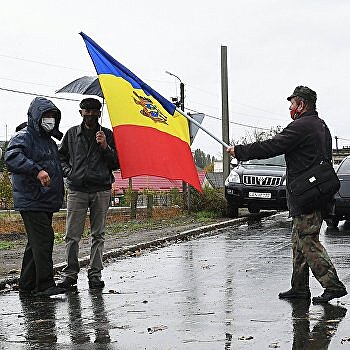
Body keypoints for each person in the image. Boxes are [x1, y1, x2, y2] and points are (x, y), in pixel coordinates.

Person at [227, 86, 347, 303]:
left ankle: (333, 285)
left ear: (301, 104)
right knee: (298, 241)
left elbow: (273, 145)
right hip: (311, 192)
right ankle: (299, 288)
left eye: (292, 104)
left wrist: (241, 151)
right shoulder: (319, 125)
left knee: (307, 240)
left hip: (307, 194)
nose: (290, 108)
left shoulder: (302, 126)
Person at [4, 97, 66, 297]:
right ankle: (45, 284)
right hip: (32, 199)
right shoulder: (25, 136)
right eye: (46, 116)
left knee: (36, 243)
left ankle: (27, 284)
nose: (50, 120)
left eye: (53, 116)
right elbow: (12, 156)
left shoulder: (48, 141)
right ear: (36, 117)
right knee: (44, 239)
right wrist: (37, 170)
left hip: (44, 200)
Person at [58, 98, 119, 289]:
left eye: (94, 111)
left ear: (99, 113)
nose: (90, 114)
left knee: (98, 235)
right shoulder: (71, 134)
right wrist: (71, 173)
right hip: (77, 190)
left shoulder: (107, 135)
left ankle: (95, 274)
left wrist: (105, 147)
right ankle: (70, 275)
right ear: (80, 112)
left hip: (101, 189)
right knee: (72, 235)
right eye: (87, 111)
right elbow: (60, 158)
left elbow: (117, 163)